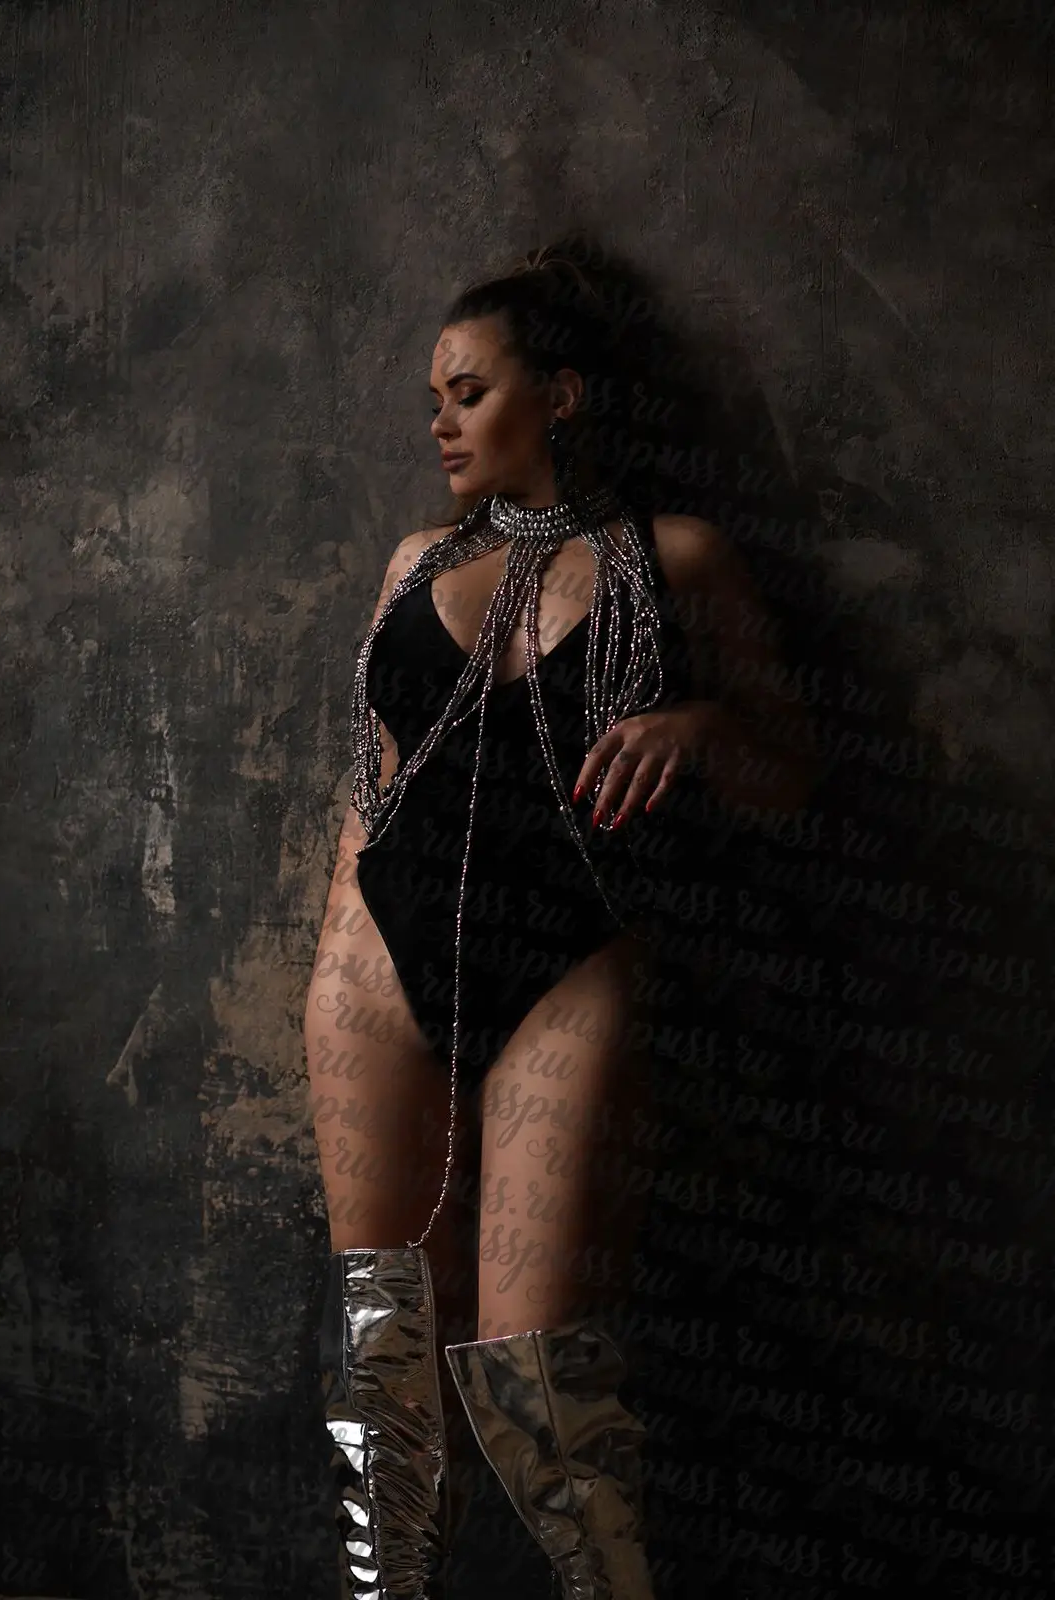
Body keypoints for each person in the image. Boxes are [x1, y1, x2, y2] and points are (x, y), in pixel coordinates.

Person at [304, 242, 817, 1599]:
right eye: (434, 399)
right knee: (384, 1355)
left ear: (562, 396)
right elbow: (370, 784)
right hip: (377, 969)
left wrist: (700, 726)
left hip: (569, 962)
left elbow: (789, 778)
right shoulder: (416, 562)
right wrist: (337, 954)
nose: (441, 422)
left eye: (469, 393)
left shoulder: (674, 557)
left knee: (535, 1374)